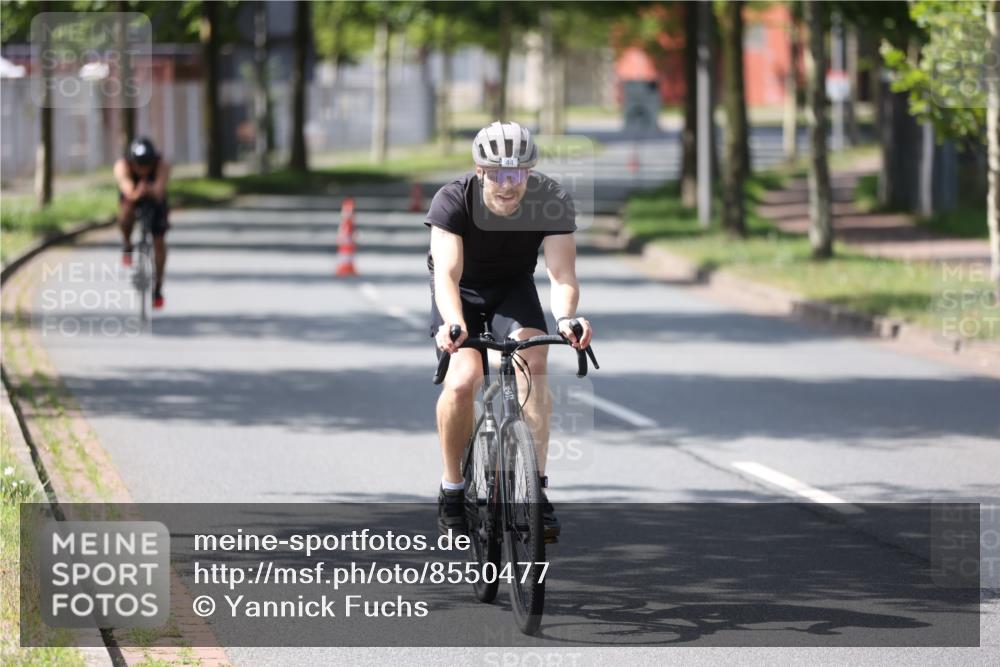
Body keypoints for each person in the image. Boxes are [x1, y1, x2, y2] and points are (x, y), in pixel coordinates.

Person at [427, 121, 594, 540]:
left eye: (517, 174)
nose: (508, 185)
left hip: (513, 288)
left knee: (533, 364)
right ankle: (452, 487)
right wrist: (452, 324)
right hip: (460, 293)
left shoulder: (550, 199)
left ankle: (534, 491)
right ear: (480, 171)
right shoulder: (452, 199)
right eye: (498, 174)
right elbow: (446, 273)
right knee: (463, 381)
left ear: (529, 174)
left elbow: (561, 273)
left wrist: (566, 319)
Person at [114, 136, 171, 309]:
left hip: (155, 199)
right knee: (125, 212)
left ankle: (158, 288)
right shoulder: (122, 166)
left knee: (159, 243)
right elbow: (127, 188)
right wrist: (137, 192)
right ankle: (127, 243)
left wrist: (150, 190)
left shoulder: (162, 165)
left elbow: (160, 190)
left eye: (148, 164)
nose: (144, 169)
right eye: (140, 164)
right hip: (133, 196)